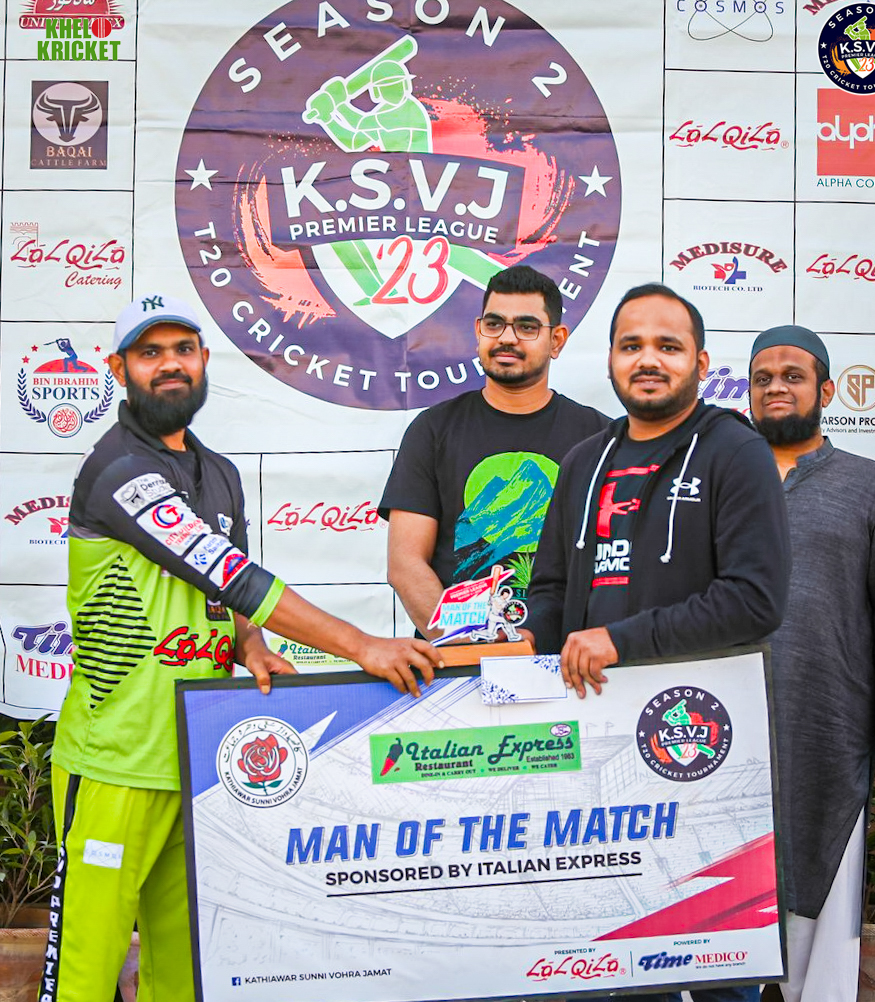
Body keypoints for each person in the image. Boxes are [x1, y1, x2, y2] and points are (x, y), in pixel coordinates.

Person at [42, 292, 441, 1002]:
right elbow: (229, 573)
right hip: (115, 762)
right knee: (83, 978)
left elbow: (226, 597)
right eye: (149, 352)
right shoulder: (118, 470)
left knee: (182, 972)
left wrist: (250, 643)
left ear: (203, 359)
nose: (170, 365)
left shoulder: (220, 472)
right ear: (118, 369)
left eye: (182, 350)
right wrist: (361, 645)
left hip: (196, 753)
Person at [524, 282, 791, 1002]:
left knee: (716, 967)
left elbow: (755, 600)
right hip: (594, 750)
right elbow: (553, 590)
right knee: (608, 962)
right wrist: (519, 643)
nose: (648, 359)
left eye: (667, 346)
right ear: (610, 359)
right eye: (631, 345)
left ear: (700, 363)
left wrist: (620, 640)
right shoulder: (583, 462)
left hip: (702, 750)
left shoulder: (736, 452)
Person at [748, 325, 875, 1002]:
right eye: (762, 378)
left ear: (824, 391)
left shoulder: (867, 484)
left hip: (830, 725)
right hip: (721, 726)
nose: (776, 388)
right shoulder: (719, 481)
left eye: (792, 376)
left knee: (822, 907)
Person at [379, 264, 609, 638]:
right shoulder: (432, 430)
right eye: (494, 324)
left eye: (527, 327)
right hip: (458, 658)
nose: (507, 338)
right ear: (478, 331)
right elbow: (406, 565)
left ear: (557, 340)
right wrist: (469, 644)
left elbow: (614, 568)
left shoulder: (599, 437)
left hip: (567, 661)